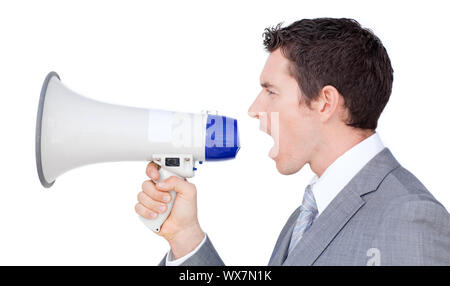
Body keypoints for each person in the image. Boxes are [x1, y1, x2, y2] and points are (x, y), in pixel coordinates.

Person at [135, 18, 450, 265]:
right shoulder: (303, 219)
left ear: (324, 103)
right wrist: (185, 237)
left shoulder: (409, 217)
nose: (255, 109)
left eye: (271, 91)